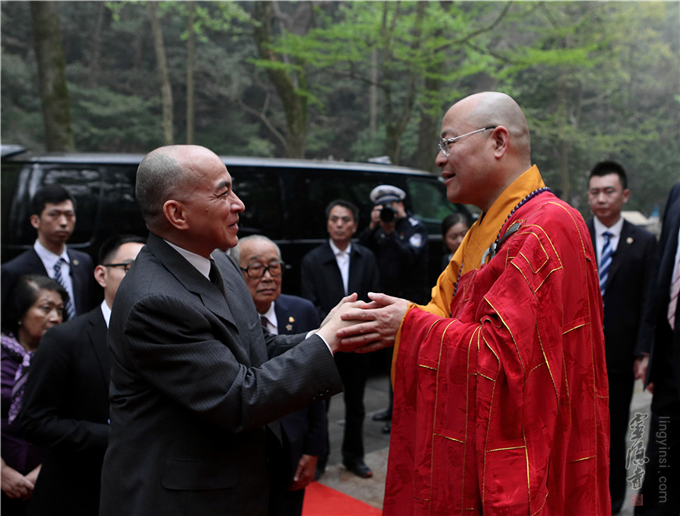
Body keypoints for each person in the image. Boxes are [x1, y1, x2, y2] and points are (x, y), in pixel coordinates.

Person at [336, 92, 610, 515]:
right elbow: (439, 309)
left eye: (448, 144)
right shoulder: (488, 227)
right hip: (472, 454)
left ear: (498, 142)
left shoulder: (547, 227)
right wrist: (380, 321)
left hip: (524, 460)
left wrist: (407, 326)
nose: (439, 159)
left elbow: (505, 363)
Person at [99, 145, 361, 516]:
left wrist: (330, 336)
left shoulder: (219, 260)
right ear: (177, 213)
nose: (239, 204)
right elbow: (239, 398)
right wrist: (323, 341)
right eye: (223, 193)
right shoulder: (153, 301)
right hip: (184, 499)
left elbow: (255, 346)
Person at [19, 235, 145, 516]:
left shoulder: (166, 338)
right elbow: (34, 420)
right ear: (101, 275)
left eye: (151, 270)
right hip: (75, 493)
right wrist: (112, 436)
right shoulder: (65, 339)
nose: (142, 278)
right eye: (130, 268)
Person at [232, 235, 326, 516]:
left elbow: (316, 385)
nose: (268, 276)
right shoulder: (225, 318)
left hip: (292, 445)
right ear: (236, 273)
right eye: (256, 267)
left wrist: (313, 448)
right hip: (244, 453)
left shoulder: (302, 310)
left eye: (275, 267)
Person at [585, 161, 656, 514]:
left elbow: (648, 300)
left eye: (609, 191)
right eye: (595, 192)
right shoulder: (576, 234)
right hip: (576, 352)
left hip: (618, 353)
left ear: (624, 195)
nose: (601, 199)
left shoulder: (643, 242)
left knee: (612, 431)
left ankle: (611, 502)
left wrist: (644, 350)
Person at [301, 200, 380, 479]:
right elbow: (311, 304)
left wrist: (358, 331)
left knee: (356, 404)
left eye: (345, 220)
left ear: (355, 225)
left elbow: (374, 297)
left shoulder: (366, 257)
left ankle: (353, 457)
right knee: (320, 406)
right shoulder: (312, 260)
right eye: (334, 219)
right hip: (327, 346)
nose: (339, 224)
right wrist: (334, 331)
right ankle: (318, 459)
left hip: (359, 343)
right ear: (327, 223)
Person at [359, 186, 429, 433]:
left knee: (406, 360)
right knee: (391, 359)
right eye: (384, 208)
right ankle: (392, 409)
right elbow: (362, 250)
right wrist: (373, 226)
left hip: (409, 303)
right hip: (385, 301)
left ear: (401, 205)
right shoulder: (379, 229)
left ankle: (402, 413)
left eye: (393, 206)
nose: (389, 211)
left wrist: (392, 234)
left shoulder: (414, 228)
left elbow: (411, 256)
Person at [1, 275, 67, 516]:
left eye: (60, 310)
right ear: (20, 312)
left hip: (50, 475)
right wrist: (2, 472)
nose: (55, 318)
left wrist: (45, 472)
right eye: (46, 308)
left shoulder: (66, 358)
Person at [635, 182, 680, 516]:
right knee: (661, 454)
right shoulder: (677, 193)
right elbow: (662, 277)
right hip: (669, 351)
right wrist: (648, 350)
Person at [1, 185, 95, 320]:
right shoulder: (13, 271)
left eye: (69, 215)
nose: (63, 222)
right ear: (35, 221)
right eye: (54, 215)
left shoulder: (84, 262)